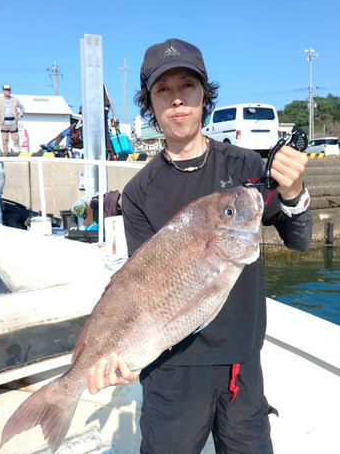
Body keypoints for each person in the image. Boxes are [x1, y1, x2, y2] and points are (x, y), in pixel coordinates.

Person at [87, 38, 312, 453]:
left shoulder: (245, 166)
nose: (177, 100)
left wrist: (295, 190)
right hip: (171, 371)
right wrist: (125, 358)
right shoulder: (139, 193)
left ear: (204, 95)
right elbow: (140, 291)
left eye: (187, 86)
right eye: (163, 90)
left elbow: (299, 241)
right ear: (150, 105)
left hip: (241, 367)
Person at [0, 85, 25, 153]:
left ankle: (17, 154)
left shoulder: (14, 99)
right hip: (3, 123)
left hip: (13, 122)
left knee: (16, 139)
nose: (7, 91)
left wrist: (20, 116)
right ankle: (6, 154)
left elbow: (22, 108)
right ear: (3, 91)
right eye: (5, 90)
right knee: (4, 140)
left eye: (8, 90)